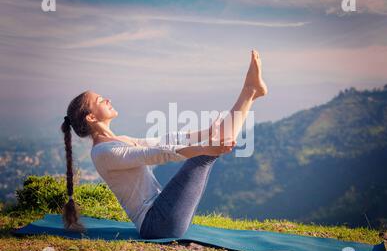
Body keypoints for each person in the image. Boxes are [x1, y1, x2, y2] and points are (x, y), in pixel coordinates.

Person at [60, 50, 268, 238]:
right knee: (206, 154)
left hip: (162, 213)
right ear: (91, 118)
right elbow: (158, 153)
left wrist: (205, 133)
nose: (107, 99)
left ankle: (250, 93)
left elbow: (161, 141)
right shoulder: (103, 153)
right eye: (99, 101)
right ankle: (249, 92)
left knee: (211, 145)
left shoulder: (117, 141)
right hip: (157, 224)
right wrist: (206, 147)